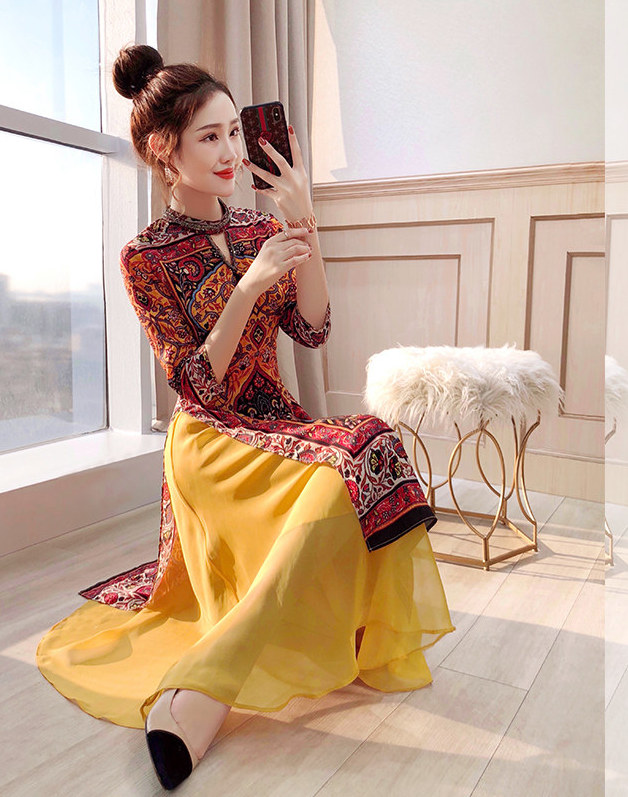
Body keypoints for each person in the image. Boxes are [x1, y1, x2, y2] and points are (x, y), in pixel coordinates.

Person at [36, 43, 456, 791]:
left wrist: (305, 226)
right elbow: (196, 386)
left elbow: (313, 328)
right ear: (164, 152)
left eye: (235, 131)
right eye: (210, 136)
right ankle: (203, 694)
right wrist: (245, 288)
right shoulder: (144, 258)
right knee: (347, 463)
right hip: (210, 439)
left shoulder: (261, 230)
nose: (231, 151)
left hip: (277, 421)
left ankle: (211, 685)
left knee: (369, 445)